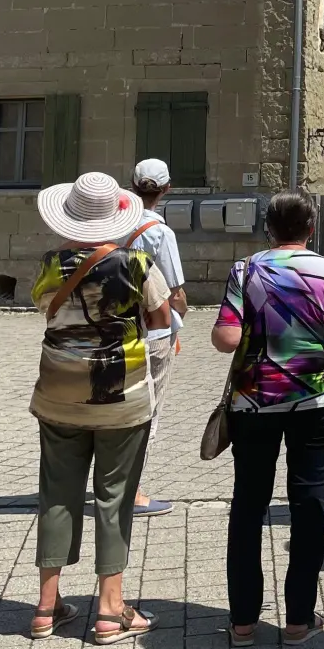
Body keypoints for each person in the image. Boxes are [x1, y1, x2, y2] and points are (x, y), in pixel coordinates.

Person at [29, 172, 171, 645]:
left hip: (58, 394)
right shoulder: (137, 263)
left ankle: (46, 608)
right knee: (114, 498)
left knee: (57, 493)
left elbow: (44, 308)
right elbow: (161, 321)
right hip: (121, 398)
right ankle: (110, 612)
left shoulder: (50, 264)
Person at [212, 192, 324, 647]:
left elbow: (226, 339)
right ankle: (297, 621)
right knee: (308, 506)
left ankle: (243, 622)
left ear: (268, 228)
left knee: (248, 505)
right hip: (315, 401)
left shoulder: (245, 269)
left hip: (254, 403)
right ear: (312, 227)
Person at [123, 158, 188, 518]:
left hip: (111, 327)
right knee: (147, 409)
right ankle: (131, 491)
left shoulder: (112, 224)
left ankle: (108, 480)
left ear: (131, 184)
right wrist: (180, 318)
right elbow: (174, 290)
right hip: (151, 329)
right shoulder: (160, 232)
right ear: (166, 189)